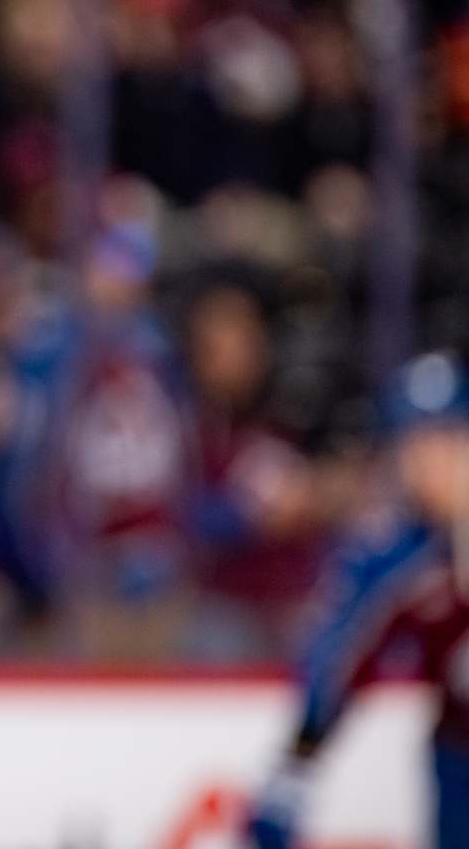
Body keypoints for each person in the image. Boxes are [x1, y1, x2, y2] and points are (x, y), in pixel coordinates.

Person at [248, 350, 469, 849]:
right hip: (460, 754)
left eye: (446, 442)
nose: (428, 464)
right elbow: (338, 657)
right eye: (413, 446)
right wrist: (297, 766)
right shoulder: (400, 555)